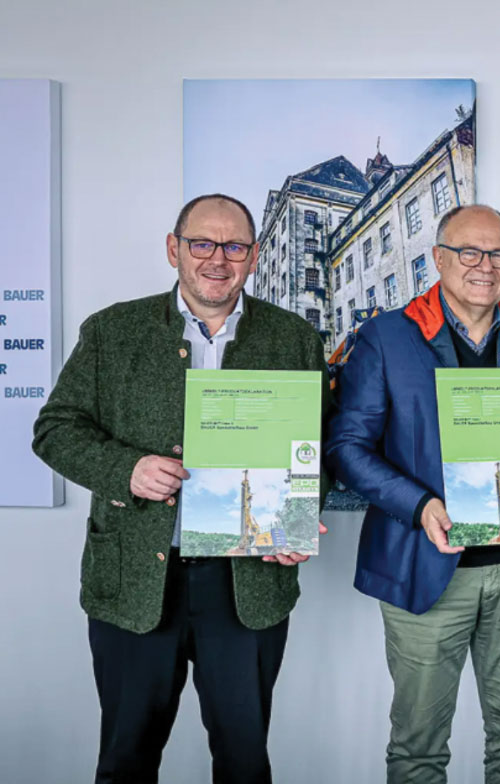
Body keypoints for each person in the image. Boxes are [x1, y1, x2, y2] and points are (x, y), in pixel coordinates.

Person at [32, 193, 330, 784]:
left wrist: (299, 519)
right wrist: (126, 469)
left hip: (247, 582)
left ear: (253, 254)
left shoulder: (293, 338)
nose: (218, 259)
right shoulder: (113, 331)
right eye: (202, 243)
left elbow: (317, 451)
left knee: (245, 763)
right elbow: (54, 430)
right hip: (137, 579)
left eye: (235, 246)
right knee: (126, 761)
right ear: (174, 249)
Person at [325, 204, 500, 783]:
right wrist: (420, 506)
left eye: (498, 254)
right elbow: (346, 447)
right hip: (423, 566)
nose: (485, 266)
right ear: (439, 259)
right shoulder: (386, 337)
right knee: (418, 746)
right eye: (469, 252)